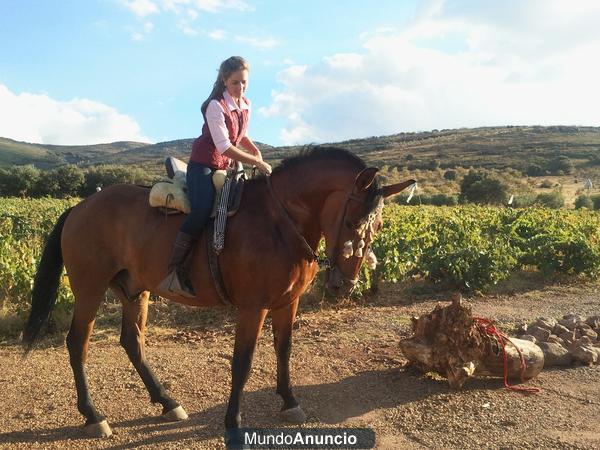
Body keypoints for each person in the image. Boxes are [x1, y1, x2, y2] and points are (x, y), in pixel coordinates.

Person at [159, 56, 272, 298]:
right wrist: (257, 163)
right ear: (224, 80)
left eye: (244, 83)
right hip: (204, 164)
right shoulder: (215, 106)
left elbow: (240, 134)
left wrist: (254, 149)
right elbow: (224, 146)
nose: (240, 88)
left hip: (228, 165)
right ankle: (174, 269)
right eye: (235, 83)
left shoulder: (246, 104)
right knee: (201, 209)